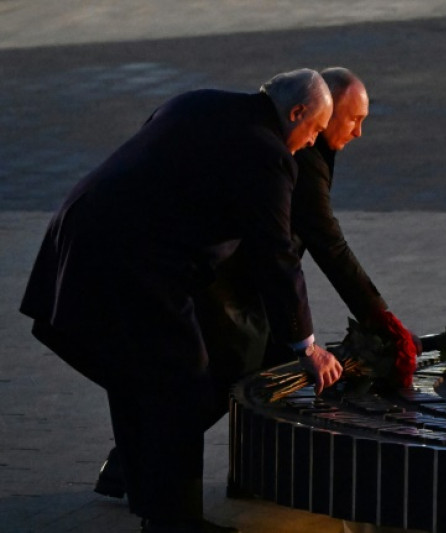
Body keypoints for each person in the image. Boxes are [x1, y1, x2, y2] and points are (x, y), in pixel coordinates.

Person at [20, 68, 343, 533]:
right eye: (313, 129)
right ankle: (174, 519)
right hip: (134, 260)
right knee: (183, 380)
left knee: (135, 374)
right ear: (295, 113)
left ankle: (147, 489)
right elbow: (276, 255)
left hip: (79, 232)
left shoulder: (197, 100)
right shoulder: (269, 153)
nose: (312, 143)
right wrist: (305, 345)